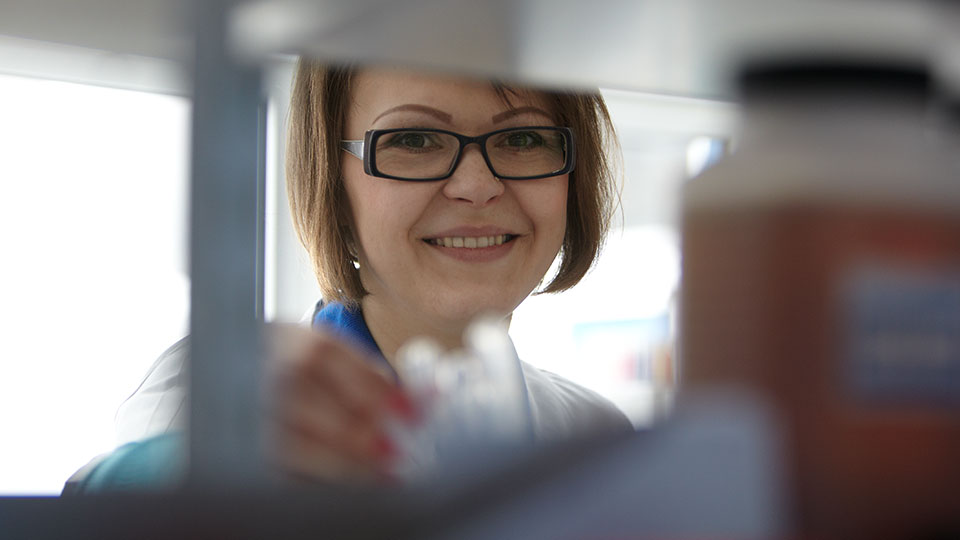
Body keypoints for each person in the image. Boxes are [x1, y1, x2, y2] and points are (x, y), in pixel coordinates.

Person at [64, 60, 630, 492]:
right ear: (332, 185)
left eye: (523, 138)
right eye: (414, 139)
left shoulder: (597, 437)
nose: (477, 185)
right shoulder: (225, 394)